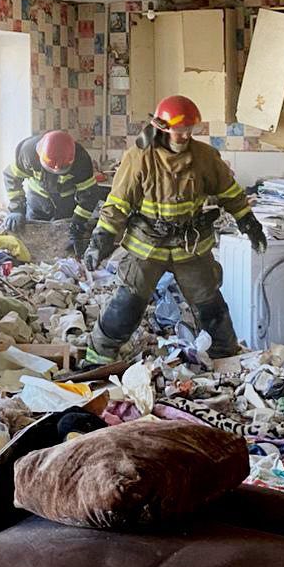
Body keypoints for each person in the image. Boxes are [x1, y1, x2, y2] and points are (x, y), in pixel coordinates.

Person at [81, 95, 266, 366]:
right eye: (180, 130)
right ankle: (98, 357)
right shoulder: (139, 158)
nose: (185, 135)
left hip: (190, 246)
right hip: (148, 245)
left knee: (210, 305)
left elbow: (230, 193)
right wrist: (102, 238)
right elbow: (118, 203)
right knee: (127, 302)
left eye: (190, 129)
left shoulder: (205, 157)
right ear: (162, 128)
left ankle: (225, 360)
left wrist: (248, 222)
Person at [3, 130, 100, 256]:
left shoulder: (81, 159)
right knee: (34, 242)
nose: (57, 170)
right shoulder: (28, 152)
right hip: (37, 200)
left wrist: (78, 223)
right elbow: (11, 177)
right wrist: (17, 208)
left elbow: (89, 195)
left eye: (62, 169)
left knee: (63, 244)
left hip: (66, 202)